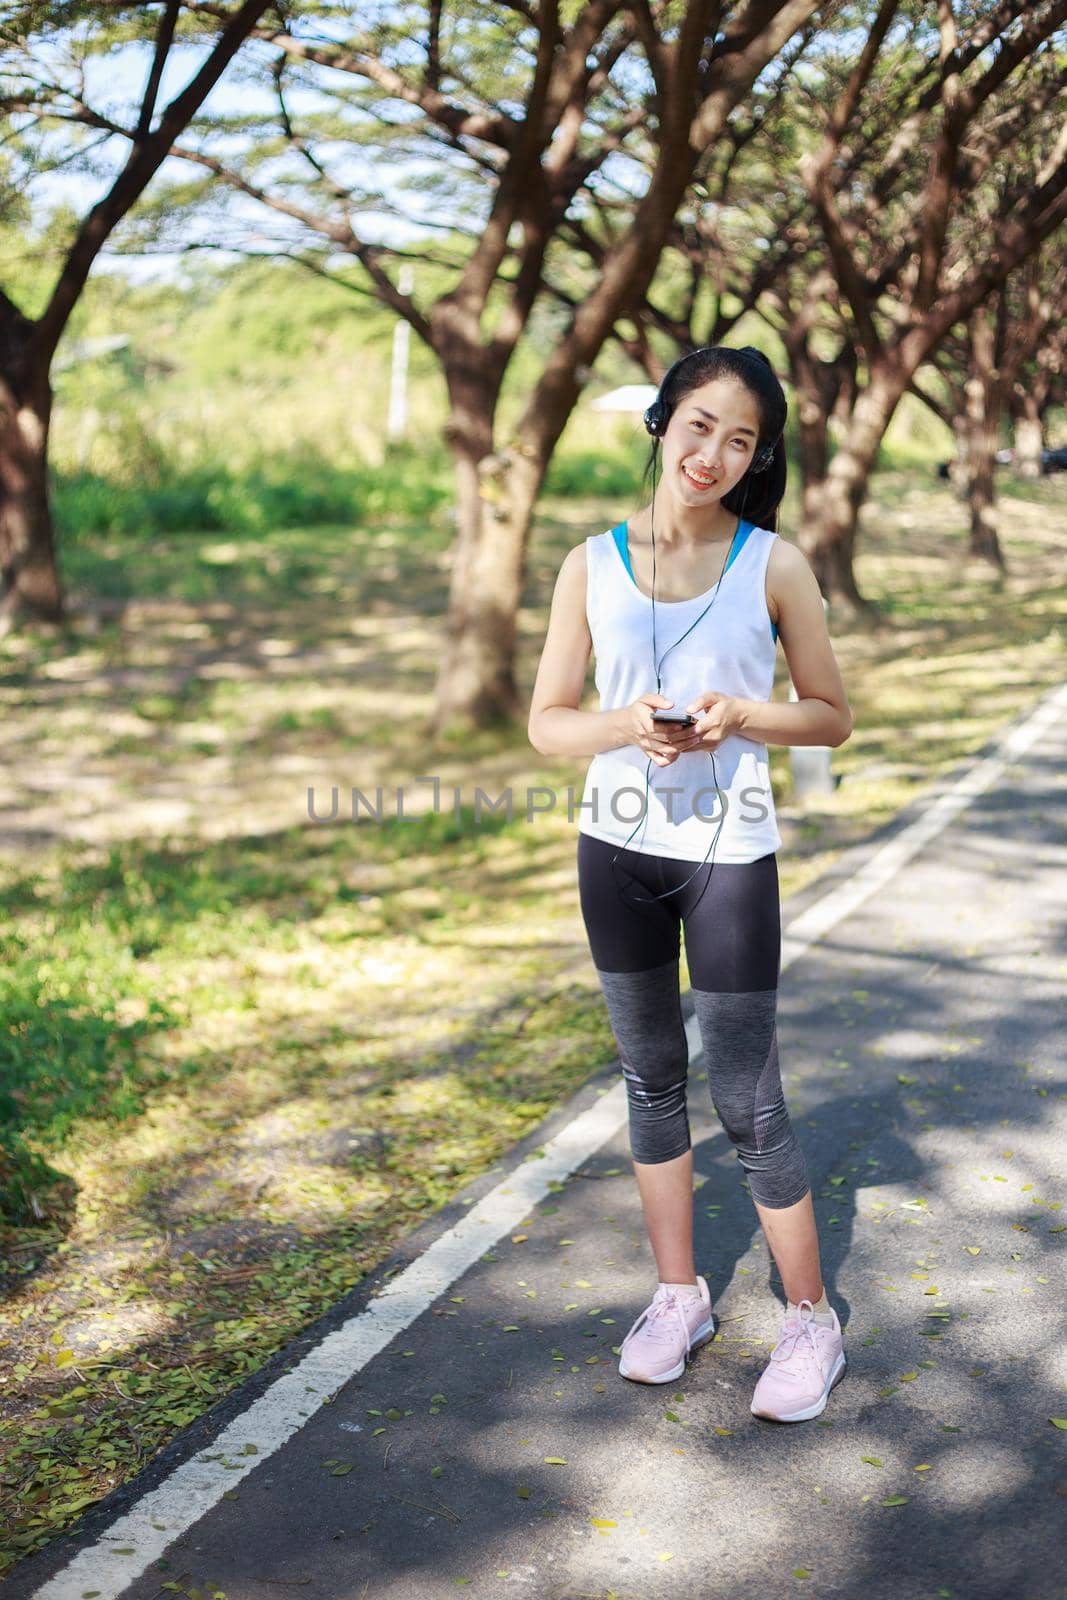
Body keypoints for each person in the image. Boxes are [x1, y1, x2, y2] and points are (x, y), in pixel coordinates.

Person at [527, 344, 853, 1424]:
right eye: (699, 424)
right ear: (661, 421)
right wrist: (623, 725)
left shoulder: (774, 565)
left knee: (745, 1095)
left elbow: (828, 714)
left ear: (757, 458)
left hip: (728, 856)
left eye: (742, 440)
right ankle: (679, 1298)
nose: (714, 452)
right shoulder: (589, 562)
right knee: (647, 1074)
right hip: (611, 853)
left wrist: (742, 713)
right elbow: (545, 723)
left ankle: (809, 1319)